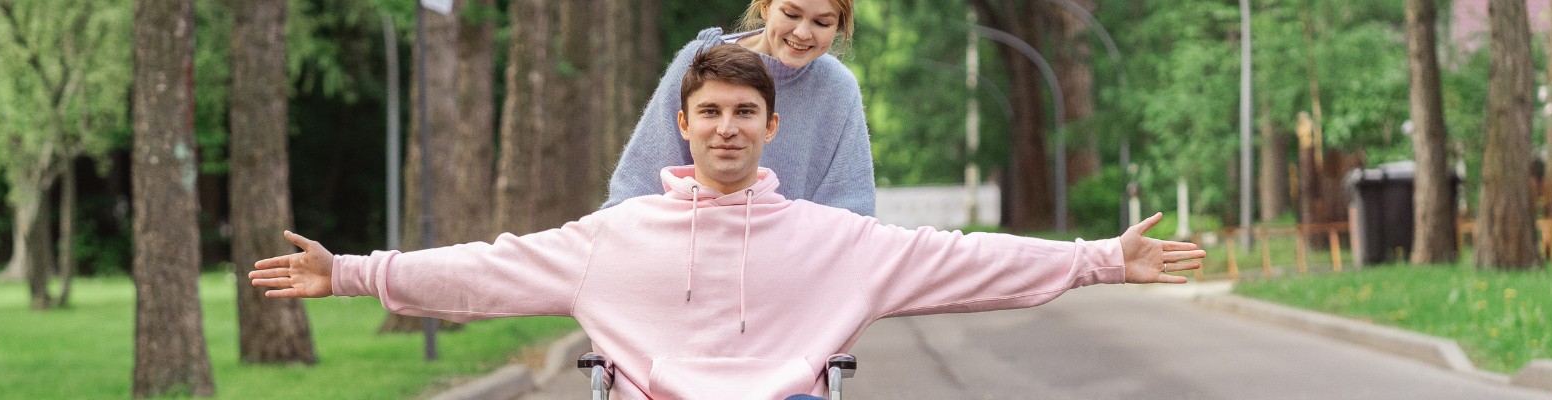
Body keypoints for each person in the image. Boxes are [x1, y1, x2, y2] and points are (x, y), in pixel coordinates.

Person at [251, 44, 1204, 400]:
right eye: (710, 112)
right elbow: (489, 271)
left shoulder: (832, 241)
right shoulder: (618, 238)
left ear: (770, 128)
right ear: (685, 122)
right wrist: (352, 273)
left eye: (745, 113)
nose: (727, 127)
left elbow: (959, 261)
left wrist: (1101, 261)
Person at [605, 0, 875, 217]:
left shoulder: (839, 89)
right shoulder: (701, 62)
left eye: (821, 22)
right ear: (766, 6)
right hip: (693, 257)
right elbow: (638, 183)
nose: (803, 33)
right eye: (791, 14)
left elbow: (850, 212)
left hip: (788, 268)